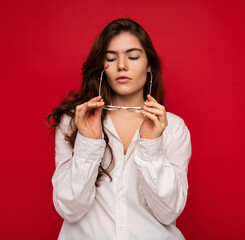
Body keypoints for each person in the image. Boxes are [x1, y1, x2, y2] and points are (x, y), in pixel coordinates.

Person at [47, 18, 192, 240]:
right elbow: (69, 209)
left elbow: (169, 211)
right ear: (102, 67)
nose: (122, 65)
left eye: (133, 57)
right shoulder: (74, 122)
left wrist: (151, 145)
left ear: (149, 65)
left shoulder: (173, 128)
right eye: (111, 58)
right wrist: (88, 142)